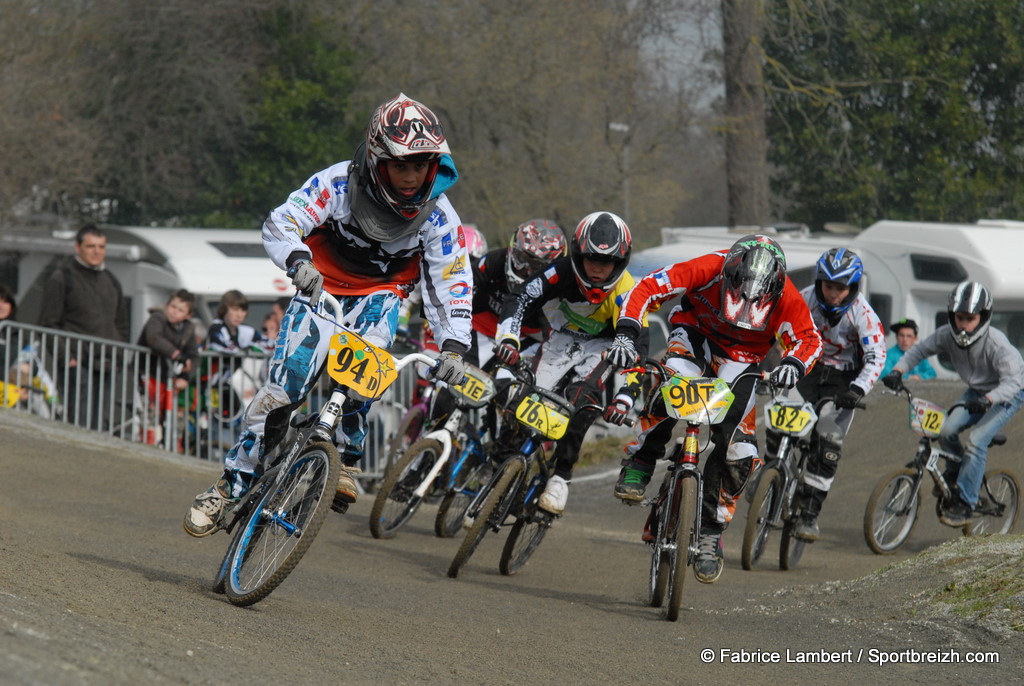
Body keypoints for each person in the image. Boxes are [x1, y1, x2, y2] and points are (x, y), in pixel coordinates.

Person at [184, 93, 471, 537]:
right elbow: (284, 219)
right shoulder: (340, 182)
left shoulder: (440, 216)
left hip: (382, 293)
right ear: (378, 160)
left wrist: (453, 343)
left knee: (368, 369)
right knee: (284, 390)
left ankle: (345, 459)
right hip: (322, 286)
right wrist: (298, 260)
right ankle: (229, 486)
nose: (412, 177)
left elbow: (452, 278)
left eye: (421, 166)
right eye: (401, 165)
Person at [605, 234, 822, 583]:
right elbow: (645, 287)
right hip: (696, 336)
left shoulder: (789, 296)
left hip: (744, 360)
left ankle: (710, 531)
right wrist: (626, 334)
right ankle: (641, 461)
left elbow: (810, 339)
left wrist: (793, 365)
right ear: (728, 274)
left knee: (739, 449)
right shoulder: (708, 266)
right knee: (673, 383)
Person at [493, 211, 648, 516]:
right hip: (559, 338)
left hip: (602, 347)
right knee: (521, 396)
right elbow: (521, 297)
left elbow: (638, 351)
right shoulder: (560, 270)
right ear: (577, 253)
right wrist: (508, 337)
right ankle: (501, 465)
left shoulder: (629, 291)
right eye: (590, 259)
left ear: (620, 262)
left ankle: (561, 476)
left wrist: (625, 397)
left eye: (606, 262)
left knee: (581, 402)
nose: (597, 269)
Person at [767, 248, 886, 541]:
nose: (833, 294)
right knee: (779, 415)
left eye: (841, 288)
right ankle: (769, 476)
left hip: (844, 379)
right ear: (819, 281)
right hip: (807, 366)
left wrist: (857, 389)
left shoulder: (864, 314)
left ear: (853, 288)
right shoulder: (803, 298)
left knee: (827, 443)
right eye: (828, 285)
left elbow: (876, 356)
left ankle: (809, 515)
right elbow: (774, 330)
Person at [882, 281, 1024, 527]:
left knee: (976, 441)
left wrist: (988, 400)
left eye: (970, 318)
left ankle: (966, 502)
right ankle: (960, 474)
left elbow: (1014, 382)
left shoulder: (997, 344)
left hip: (1009, 394)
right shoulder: (946, 334)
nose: (964, 324)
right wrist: (897, 370)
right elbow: (919, 351)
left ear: (983, 317)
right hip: (977, 391)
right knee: (944, 430)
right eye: (959, 317)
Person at [38, 224, 130, 430]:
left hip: (107, 363)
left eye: (101, 246)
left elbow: (122, 324)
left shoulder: (112, 280)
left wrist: (119, 357)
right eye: (91, 246)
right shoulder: (62, 277)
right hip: (77, 362)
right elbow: (48, 323)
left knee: (100, 425)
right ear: (77, 247)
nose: (97, 251)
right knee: (78, 423)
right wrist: (67, 359)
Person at [137, 289, 200, 409]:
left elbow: (194, 356)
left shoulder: (188, 328)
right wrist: (177, 355)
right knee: (147, 413)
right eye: (173, 307)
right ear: (167, 305)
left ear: (188, 315)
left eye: (181, 310)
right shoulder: (157, 317)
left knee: (166, 416)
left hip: (167, 379)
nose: (175, 312)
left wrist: (185, 376)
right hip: (144, 373)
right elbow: (154, 338)